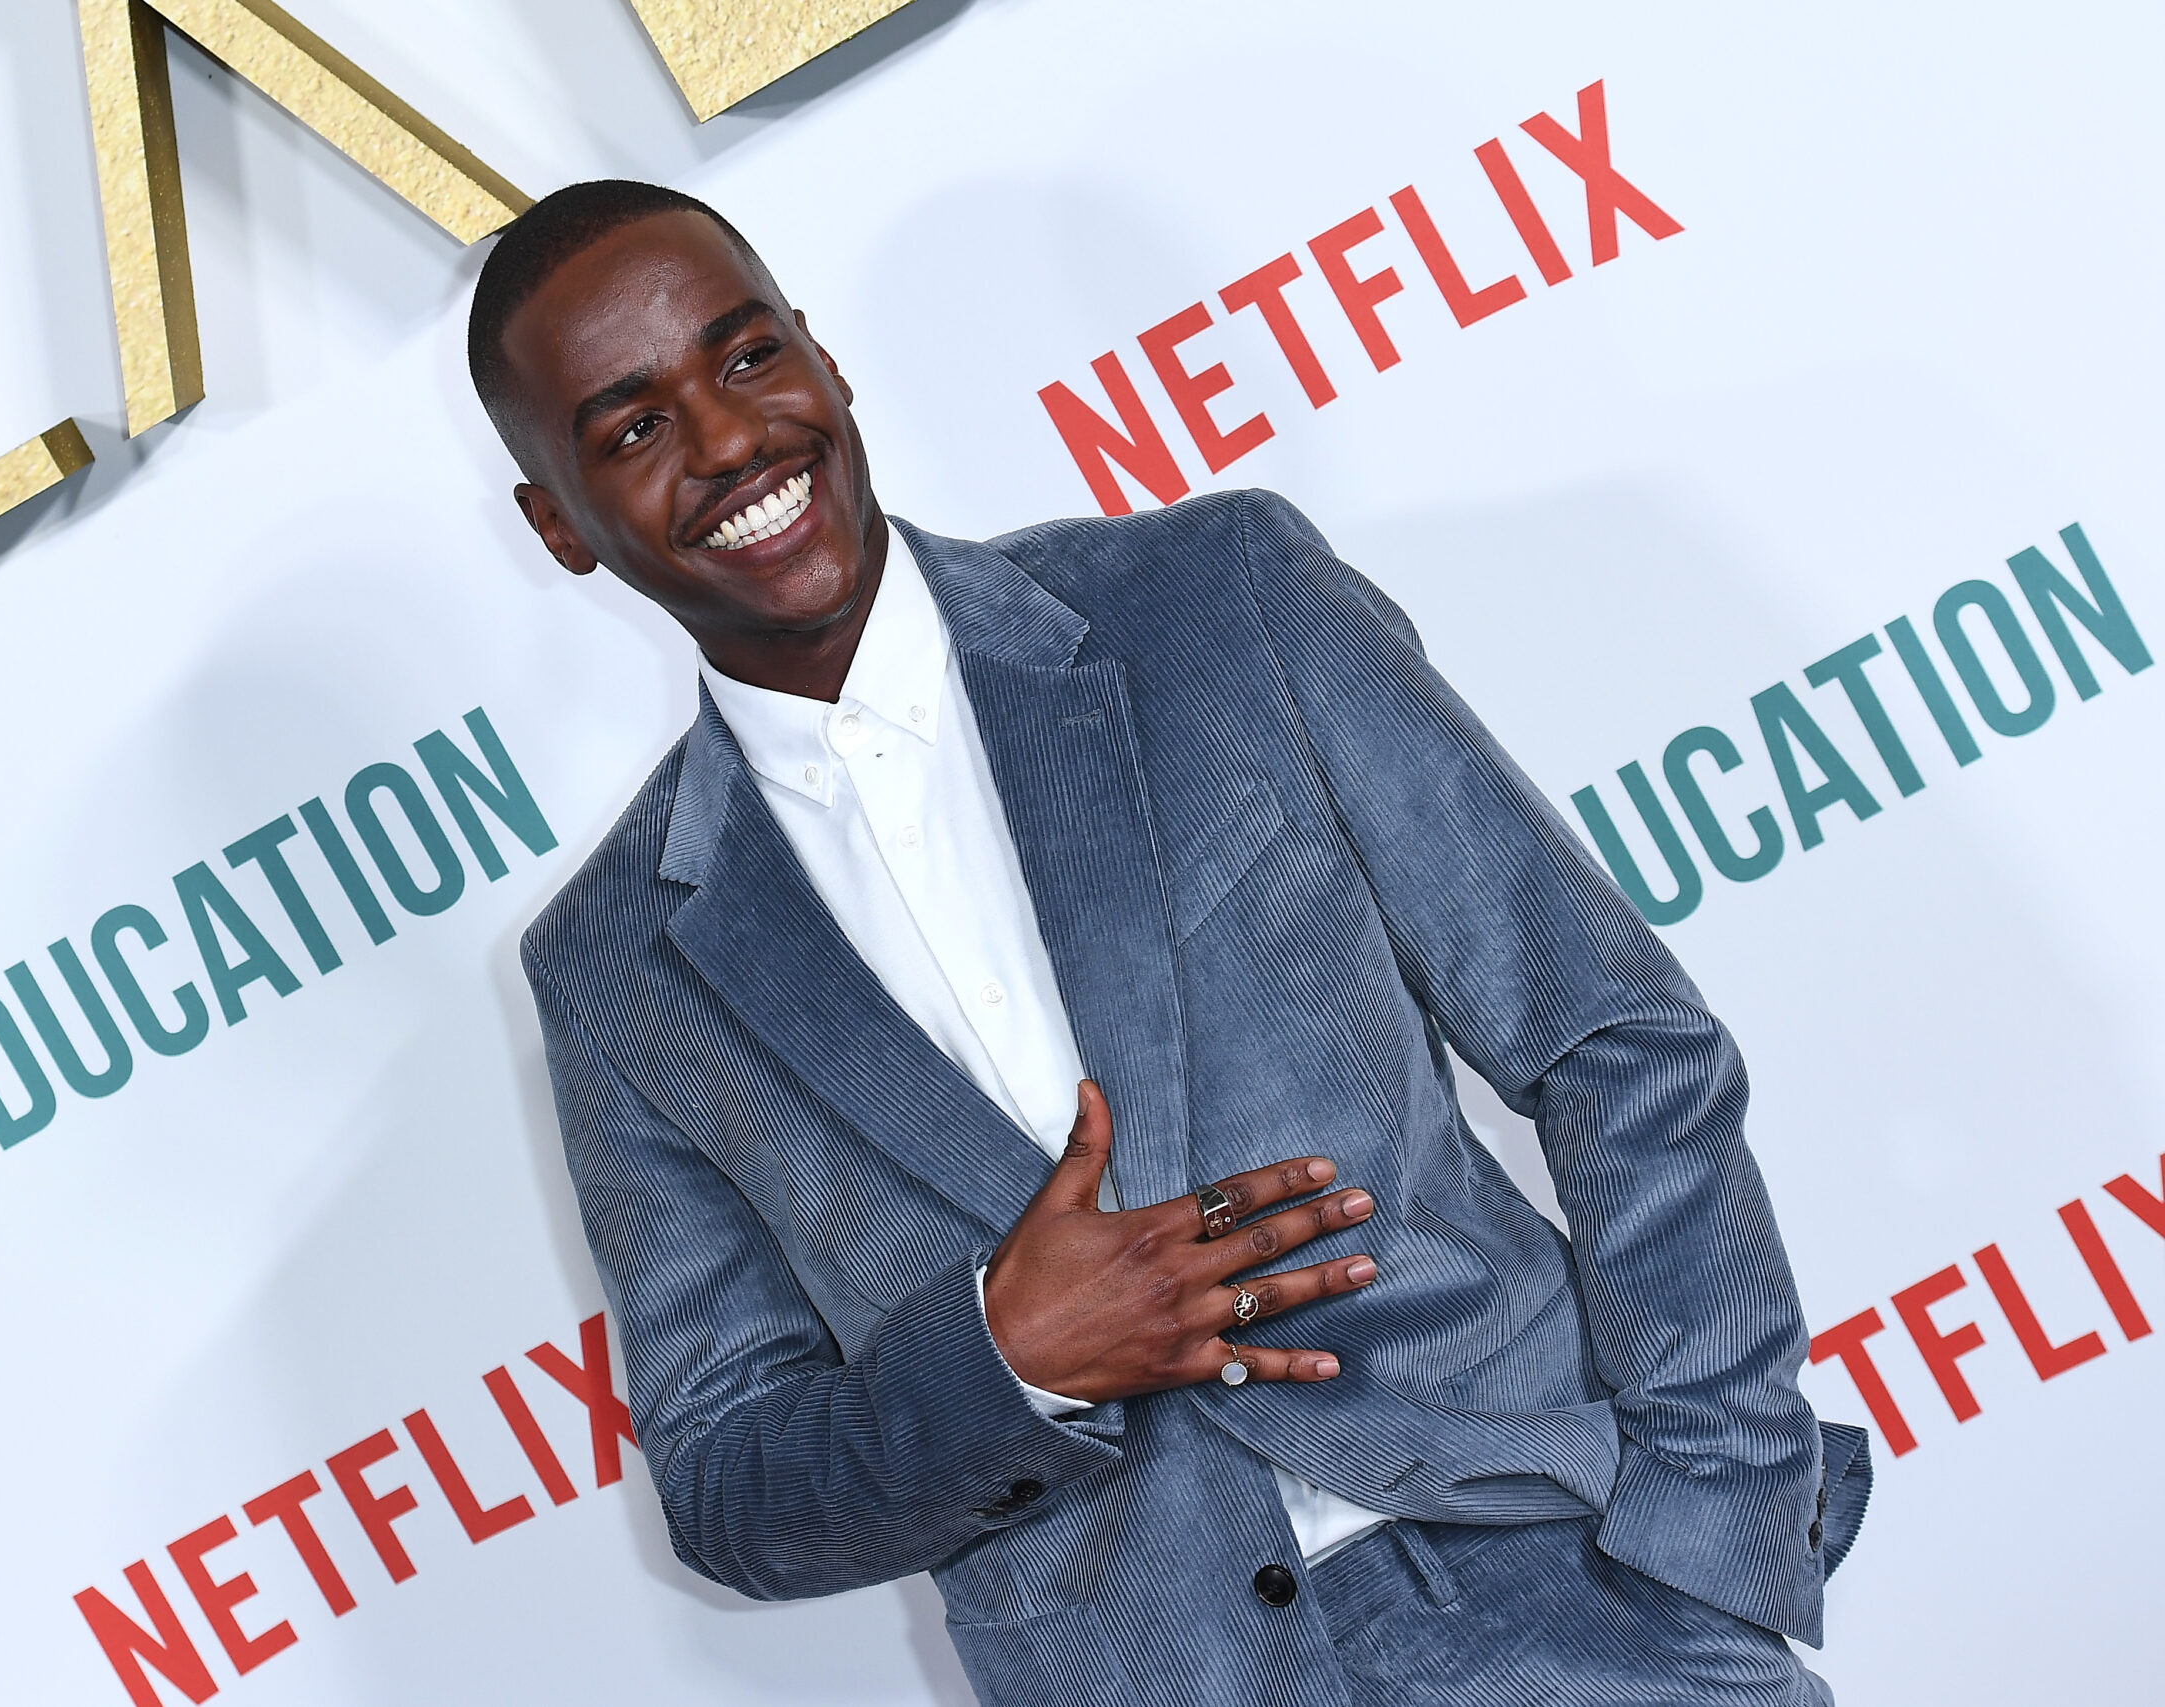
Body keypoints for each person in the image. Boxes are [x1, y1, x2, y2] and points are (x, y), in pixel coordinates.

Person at [472, 178, 1868, 1707]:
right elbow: (736, 1491)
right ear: (558, 524)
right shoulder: (617, 973)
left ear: (819, 354)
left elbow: (1615, 1043)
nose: (731, 442)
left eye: (745, 359)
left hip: (1570, 1602)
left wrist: (1716, 1512)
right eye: (633, 429)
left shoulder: (1214, 603)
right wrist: (1006, 1355)